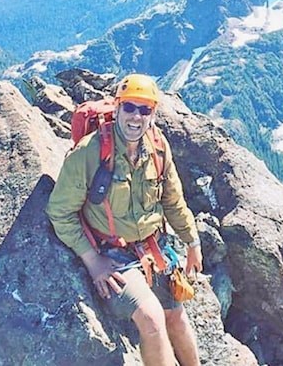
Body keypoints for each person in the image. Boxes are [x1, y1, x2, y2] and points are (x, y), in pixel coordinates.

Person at [47, 73, 203, 366]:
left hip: (153, 247)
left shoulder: (157, 147)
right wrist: (92, 261)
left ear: (153, 114)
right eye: (130, 107)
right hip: (113, 253)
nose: (136, 117)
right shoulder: (89, 154)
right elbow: (59, 211)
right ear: (117, 108)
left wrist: (192, 241)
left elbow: (172, 199)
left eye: (145, 110)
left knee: (176, 318)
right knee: (152, 320)